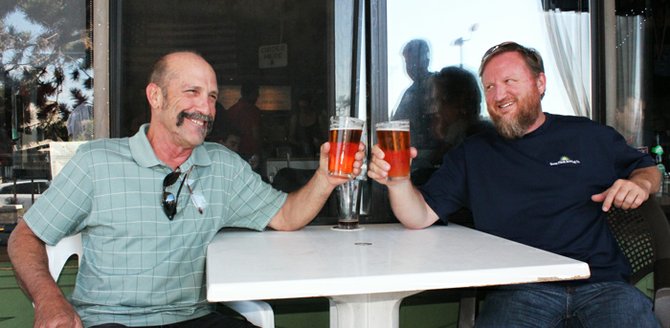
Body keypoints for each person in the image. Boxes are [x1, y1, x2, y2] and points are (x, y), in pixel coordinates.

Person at [8, 51, 365, 328]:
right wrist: (49, 299)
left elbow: (286, 216)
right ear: (156, 97)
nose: (205, 108)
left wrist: (325, 177)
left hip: (195, 318)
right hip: (110, 319)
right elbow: (25, 237)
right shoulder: (96, 163)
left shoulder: (222, 166)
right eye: (192, 92)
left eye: (211, 97)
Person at [368, 41, 661, 327]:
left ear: (540, 83)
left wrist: (640, 184)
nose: (499, 94)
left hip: (603, 286)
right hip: (522, 290)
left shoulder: (587, 135)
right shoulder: (473, 153)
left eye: (510, 80)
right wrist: (398, 181)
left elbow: (647, 168)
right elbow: (419, 216)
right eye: (490, 87)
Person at [428, 66, 492, 167]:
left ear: (459, 103)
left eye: (440, 101)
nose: (436, 110)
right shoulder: (458, 134)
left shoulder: (467, 140)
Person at [392, 39, 437, 170]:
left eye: (414, 61)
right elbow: (396, 124)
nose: (410, 67)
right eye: (407, 62)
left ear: (426, 60)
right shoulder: (410, 93)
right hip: (410, 162)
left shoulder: (436, 86)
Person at [226, 82, 263, 167]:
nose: (258, 96)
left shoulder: (232, 110)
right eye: (256, 93)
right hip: (250, 152)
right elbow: (255, 133)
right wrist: (258, 151)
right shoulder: (253, 111)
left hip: (232, 151)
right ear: (252, 94)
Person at [288, 93, 326, 157]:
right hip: (299, 155)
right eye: (300, 107)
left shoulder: (319, 118)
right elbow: (290, 138)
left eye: (305, 107)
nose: (303, 110)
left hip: (317, 154)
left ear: (310, 105)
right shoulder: (295, 118)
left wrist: (319, 142)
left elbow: (326, 136)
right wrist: (300, 144)